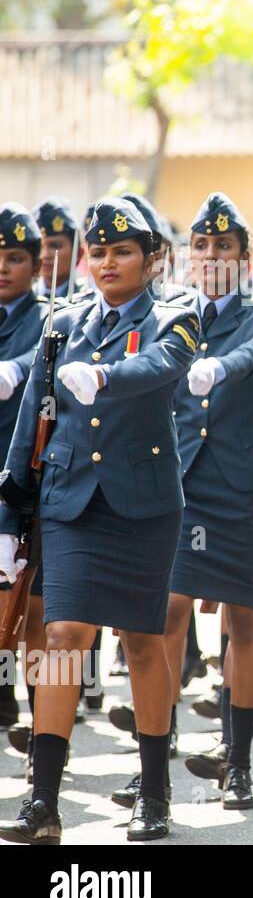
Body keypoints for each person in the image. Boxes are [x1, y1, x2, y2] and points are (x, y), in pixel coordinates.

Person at [0, 199, 200, 843]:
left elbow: (164, 365)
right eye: (99, 251)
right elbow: (34, 413)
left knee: (141, 641)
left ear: (152, 259)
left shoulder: (178, 313)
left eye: (123, 252)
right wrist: (11, 513)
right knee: (63, 637)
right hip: (70, 501)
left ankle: (155, 792)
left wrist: (105, 377)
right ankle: (44, 801)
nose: (108, 263)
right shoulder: (63, 325)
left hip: (141, 504)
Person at [168, 193, 253, 811]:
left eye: (224, 246)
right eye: (203, 246)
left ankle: (238, 760)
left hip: (243, 485)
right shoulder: (170, 315)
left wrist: (217, 367)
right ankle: (154, 757)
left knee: (243, 621)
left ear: (246, 257)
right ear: (190, 256)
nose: (212, 256)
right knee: (165, 613)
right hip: (180, 483)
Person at [0, 205, 49, 732]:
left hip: (25, 480)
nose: (3, 267)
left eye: (15, 258)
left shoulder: (51, 321)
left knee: (30, 607)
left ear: (36, 265)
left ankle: (42, 723)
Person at [32, 198, 81, 303]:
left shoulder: (89, 301)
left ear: (78, 253)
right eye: (39, 246)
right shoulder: (19, 300)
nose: (45, 255)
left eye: (55, 246)